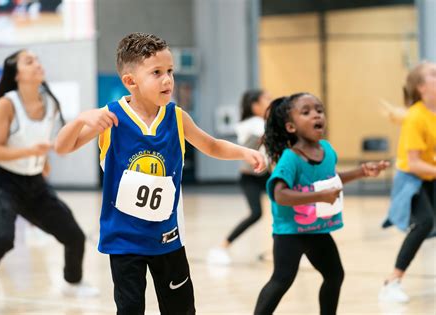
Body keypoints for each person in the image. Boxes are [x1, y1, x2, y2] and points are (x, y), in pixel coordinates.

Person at [54, 32, 266, 315]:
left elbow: (211, 145)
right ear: (131, 81)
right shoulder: (110, 118)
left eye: (170, 71)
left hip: (167, 239)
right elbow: (63, 147)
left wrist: (243, 152)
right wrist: (81, 118)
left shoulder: (177, 117)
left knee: (181, 310)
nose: (167, 80)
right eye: (157, 72)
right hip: (124, 241)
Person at [0, 50, 98, 314]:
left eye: (37, 59)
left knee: (74, 236)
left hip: (34, 184)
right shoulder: (6, 104)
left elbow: (47, 142)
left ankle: (73, 282)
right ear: (16, 75)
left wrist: (41, 161)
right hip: (2, 182)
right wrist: (32, 152)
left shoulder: (50, 102)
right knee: (2, 238)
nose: (37, 64)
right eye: (29, 61)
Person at [253, 93, 389, 315]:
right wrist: (319, 197)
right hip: (291, 232)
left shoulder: (327, 150)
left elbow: (330, 181)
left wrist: (362, 171)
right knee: (282, 280)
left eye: (319, 110)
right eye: (306, 112)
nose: (316, 114)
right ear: (290, 126)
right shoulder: (291, 157)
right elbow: (280, 195)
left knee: (335, 275)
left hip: (317, 230)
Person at [379, 61, 436, 303]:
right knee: (423, 223)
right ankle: (392, 281)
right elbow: (413, 163)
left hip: (431, 174)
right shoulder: (416, 117)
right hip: (411, 180)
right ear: (422, 87)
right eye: (434, 74)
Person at [208, 89, 272, 265]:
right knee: (256, 213)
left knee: (284, 207)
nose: (270, 101)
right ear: (255, 105)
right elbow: (270, 132)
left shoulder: (261, 122)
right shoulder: (254, 123)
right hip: (250, 177)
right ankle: (223, 245)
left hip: (266, 175)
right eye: (267, 98)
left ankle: (281, 248)